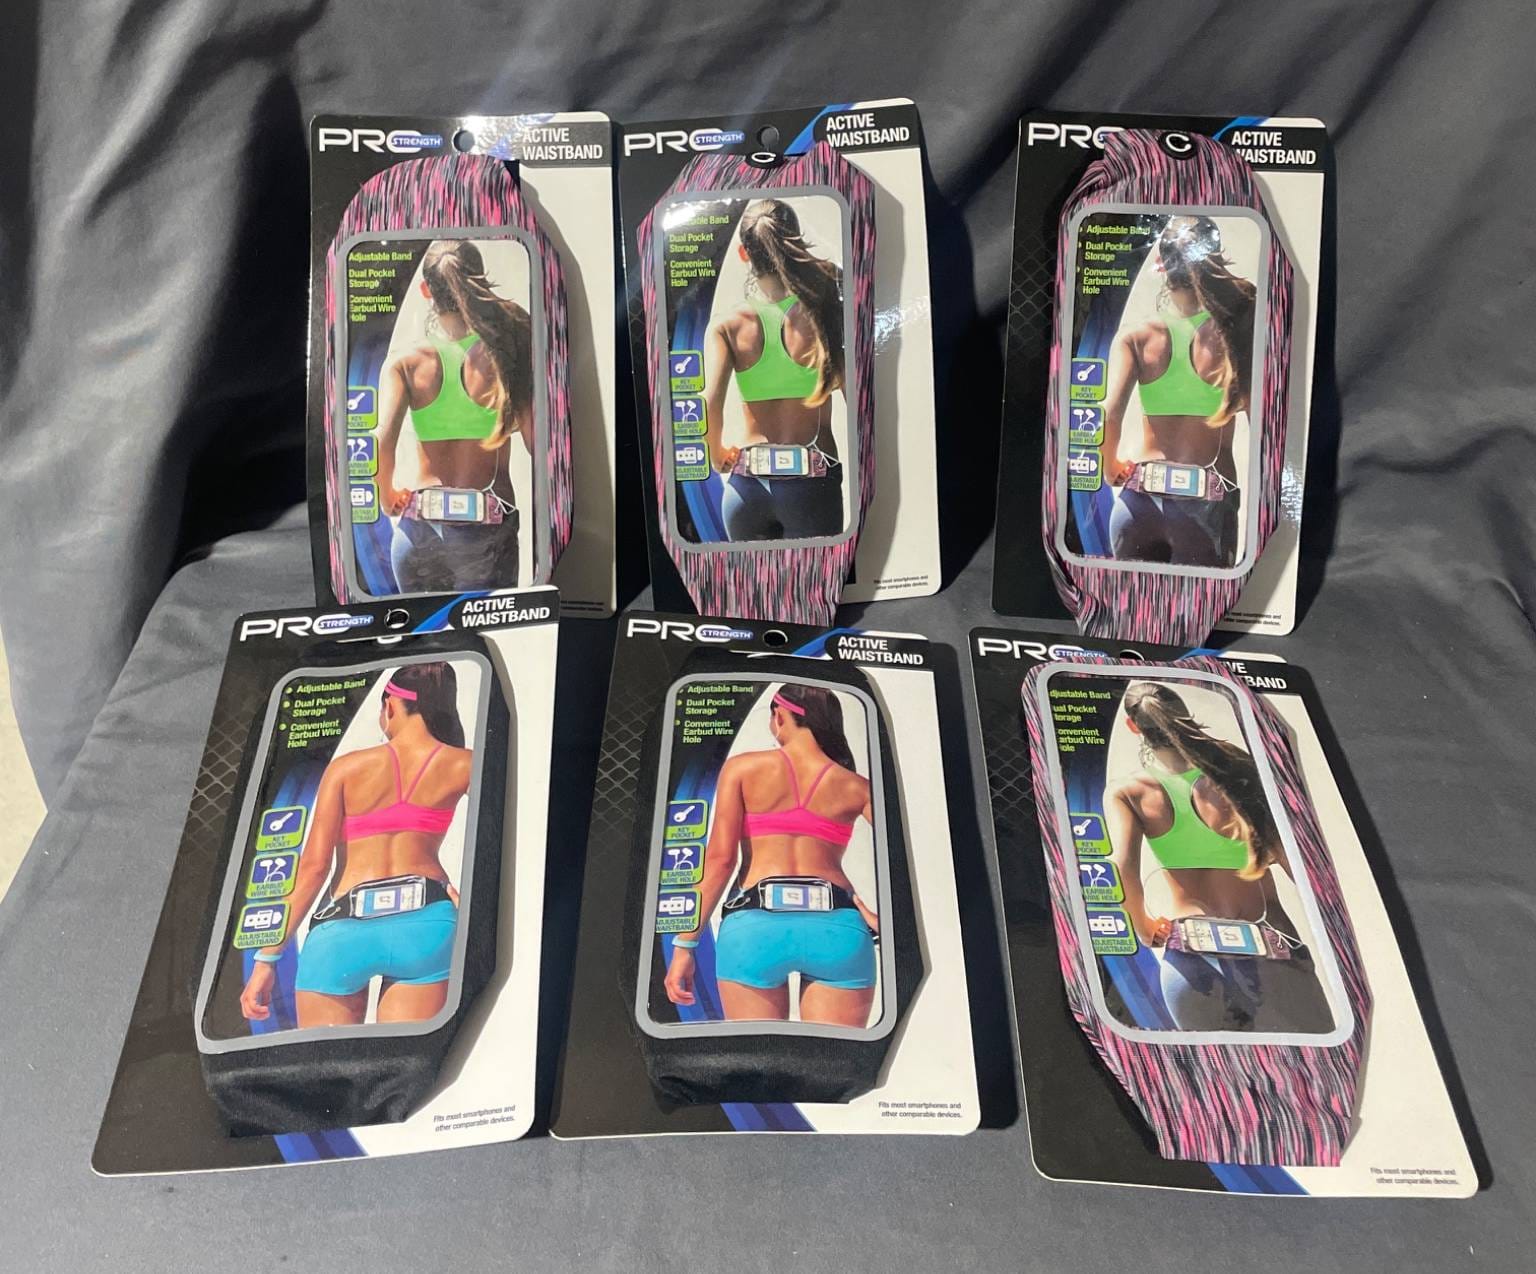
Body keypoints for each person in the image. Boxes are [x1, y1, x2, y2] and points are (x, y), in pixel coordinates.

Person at [239, 663, 472, 1028]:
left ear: (390, 706)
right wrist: (471, 903)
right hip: (427, 924)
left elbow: (314, 869)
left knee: (326, 1062)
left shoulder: (346, 769)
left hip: (344, 927)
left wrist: (266, 959)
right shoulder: (466, 764)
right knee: (406, 1060)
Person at [1103, 681, 1332, 1033]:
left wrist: (1144, 928)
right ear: (1184, 715)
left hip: (1189, 960)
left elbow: (1122, 868)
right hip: (1270, 943)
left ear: (1133, 727)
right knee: (1312, 1060)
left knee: (1221, 1071)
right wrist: (1329, 917)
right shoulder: (1235, 767)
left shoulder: (1128, 792)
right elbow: (1293, 857)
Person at [664, 684, 879, 1026]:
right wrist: (879, 916)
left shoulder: (742, 769)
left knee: (758, 1059)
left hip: (754, 929)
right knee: (832, 1058)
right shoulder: (859, 787)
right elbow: (905, 859)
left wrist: (685, 946)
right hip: (837, 930)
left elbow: (721, 861)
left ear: (779, 716)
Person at [373, 240, 532, 591]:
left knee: (425, 627)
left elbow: (381, 441)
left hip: (416, 532)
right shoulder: (504, 355)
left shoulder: (405, 363)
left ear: (425, 290)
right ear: (479, 281)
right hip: (486, 533)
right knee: (486, 628)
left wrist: (388, 496)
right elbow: (539, 443)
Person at [1097, 216, 1256, 567]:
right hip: (1207, 501)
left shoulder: (1137, 337)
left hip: (1137, 503)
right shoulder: (1233, 337)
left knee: (1134, 600)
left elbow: (1109, 414)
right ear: (1214, 262)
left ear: (1160, 265)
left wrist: (1111, 467)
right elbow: (1264, 423)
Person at [702, 199, 846, 541]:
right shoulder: (822, 315)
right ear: (794, 243)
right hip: (811, 480)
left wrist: (716, 455)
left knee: (751, 578)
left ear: (744, 254)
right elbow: (859, 400)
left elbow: (709, 403)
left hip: (744, 489)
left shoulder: (727, 325)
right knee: (813, 576)